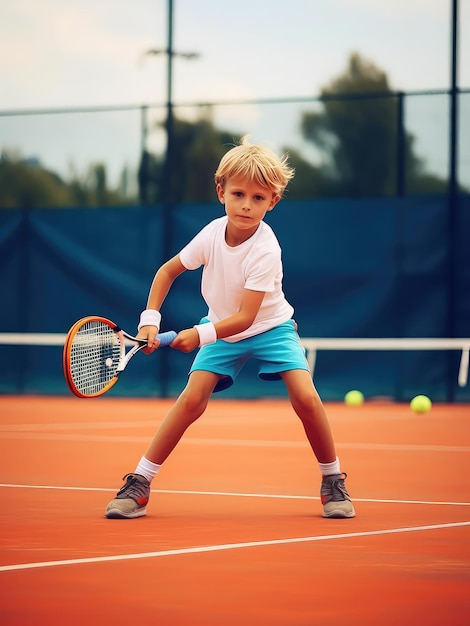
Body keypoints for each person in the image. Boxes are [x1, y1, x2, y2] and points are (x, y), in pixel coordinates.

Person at [105, 136, 355, 520]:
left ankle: (332, 480)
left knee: (306, 399)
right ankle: (139, 482)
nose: (247, 205)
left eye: (259, 198)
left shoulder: (266, 249)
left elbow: (246, 318)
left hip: (271, 327)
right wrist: (150, 319)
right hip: (221, 329)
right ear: (221, 191)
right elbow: (167, 271)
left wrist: (198, 334)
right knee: (191, 400)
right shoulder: (210, 233)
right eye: (239, 194)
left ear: (273, 201)